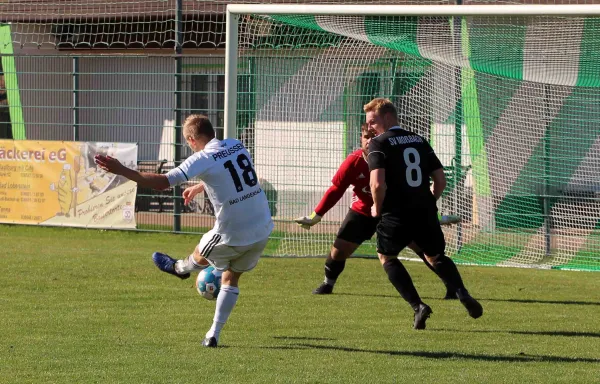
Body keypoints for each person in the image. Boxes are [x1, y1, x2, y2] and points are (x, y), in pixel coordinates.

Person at [94, 114, 274, 347]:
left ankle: (180, 268)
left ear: (191, 139)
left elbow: (161, 182)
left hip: (232, 232)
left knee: (200, 254)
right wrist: (202, 185)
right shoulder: (236, 145)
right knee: (231, 277)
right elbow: (236, 175)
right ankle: (212, 335)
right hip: (262, 227)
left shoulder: (202, 157)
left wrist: (122, 170)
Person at [295, 123, 460, 298]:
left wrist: (431, 214)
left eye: (373, 137)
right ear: (360, 139)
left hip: (395, 212)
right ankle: (328, 284)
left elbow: (417, 187)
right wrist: (316, 215)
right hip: (364, 212)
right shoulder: (354, 161)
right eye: (366, 137)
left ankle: (453, 287)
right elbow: (336, 189)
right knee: (339, 250)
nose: (370, 141)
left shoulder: (393, 159)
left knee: (427, 251)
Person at [365, 98, 483, 330]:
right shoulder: (419, 140)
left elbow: (377, 184)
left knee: (387, 257)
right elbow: (440, 180)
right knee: (436, 256)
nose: (369, 127)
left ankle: (418, 306)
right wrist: (429, 201)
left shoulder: (378, 144)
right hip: (424, 210)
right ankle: (462, 292)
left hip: (396, 212)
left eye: (372, 121)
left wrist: (377, 208)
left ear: (387, 117)